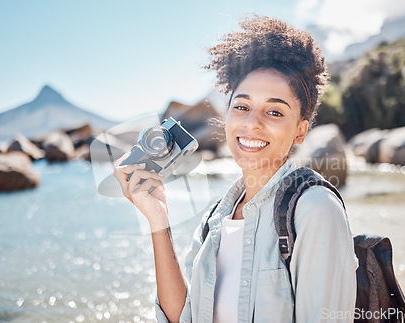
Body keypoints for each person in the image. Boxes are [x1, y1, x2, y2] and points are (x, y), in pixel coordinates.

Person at [114, 15, 358, 323]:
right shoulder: (215, 218)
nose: (252, 122)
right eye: (241, 106)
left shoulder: (315, 209)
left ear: (300, 131)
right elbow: (183, 318)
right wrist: (158, 219)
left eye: (274, 111)